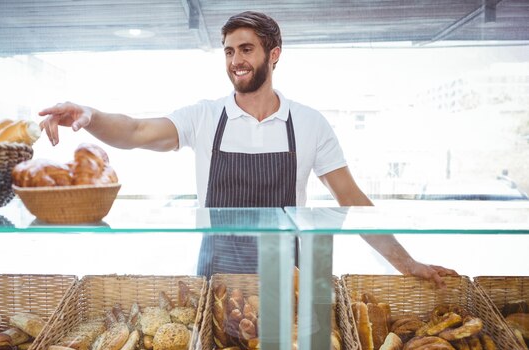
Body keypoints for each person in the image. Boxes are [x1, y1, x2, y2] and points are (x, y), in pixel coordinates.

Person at [39, 11, 456, 287]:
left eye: (246, 49)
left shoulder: (309, 123)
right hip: (217, 276)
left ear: (274, 55)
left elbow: (352, 201)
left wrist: (408, 264)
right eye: (229, 51)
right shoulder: (205, 117)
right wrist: (89, 115)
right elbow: (134, 130)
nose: (235, 60)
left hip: (288, 277)